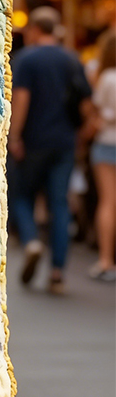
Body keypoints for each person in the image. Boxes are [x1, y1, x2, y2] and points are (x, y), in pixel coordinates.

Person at [8, 6, 92, 294]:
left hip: (33, 141)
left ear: (34, 29)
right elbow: (86, 106)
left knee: (22, 195)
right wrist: (80, 136)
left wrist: (15, 136)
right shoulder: (72, 59)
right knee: (59, 204)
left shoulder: (26, 59)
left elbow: (21, 99)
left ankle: (31, 240)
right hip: (64, 142)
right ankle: (57, 273)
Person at [88, 29, 116, 281]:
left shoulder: (107, 77)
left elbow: (97, 113)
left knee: (108, 202)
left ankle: (106, 259)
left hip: (107, 143)